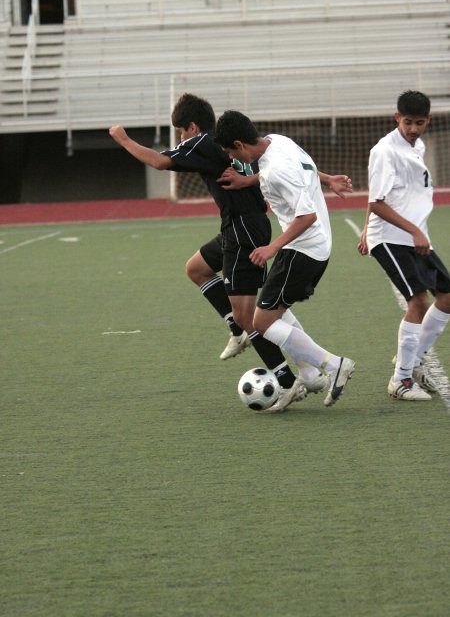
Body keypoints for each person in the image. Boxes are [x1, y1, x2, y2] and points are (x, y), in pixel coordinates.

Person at [110, 94, 352, 411]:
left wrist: (123, 138)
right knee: (196, 269)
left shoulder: (201, 143)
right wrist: (324, 178)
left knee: (255, 316)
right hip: (240, 227)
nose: (181, 139)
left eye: (181, 132)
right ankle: (250, 337)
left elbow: (158, 161)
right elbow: (288, 168)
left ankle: (290, 380)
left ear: (193, 127)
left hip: (246, 232)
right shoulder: (262, 142)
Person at [215, 110, 356, 407]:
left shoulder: (275, 168)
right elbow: (303, 169)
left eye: (230, 151)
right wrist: (328, 179)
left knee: (262, 321)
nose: (231, 157)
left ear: (240, 144)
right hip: (312, 246)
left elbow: (307, 215)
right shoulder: (278, 142)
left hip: (303, 248)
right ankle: (308, 373)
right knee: (278, 311)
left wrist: (272, 248)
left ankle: (333, 364)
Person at [358, 90, 450, 401]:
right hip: (392, 237)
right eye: (407, 122)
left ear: (428, 121)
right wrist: (378, 230)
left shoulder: (417, 145)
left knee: (447, 295)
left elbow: (385, 191)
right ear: (397, 117)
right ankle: (401, 380)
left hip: (413, 237)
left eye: (419, 123)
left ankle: (412, 360)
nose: (412, 128)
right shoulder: (386, 150)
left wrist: (365, 227)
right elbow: (379, 201)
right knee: (419, 302)